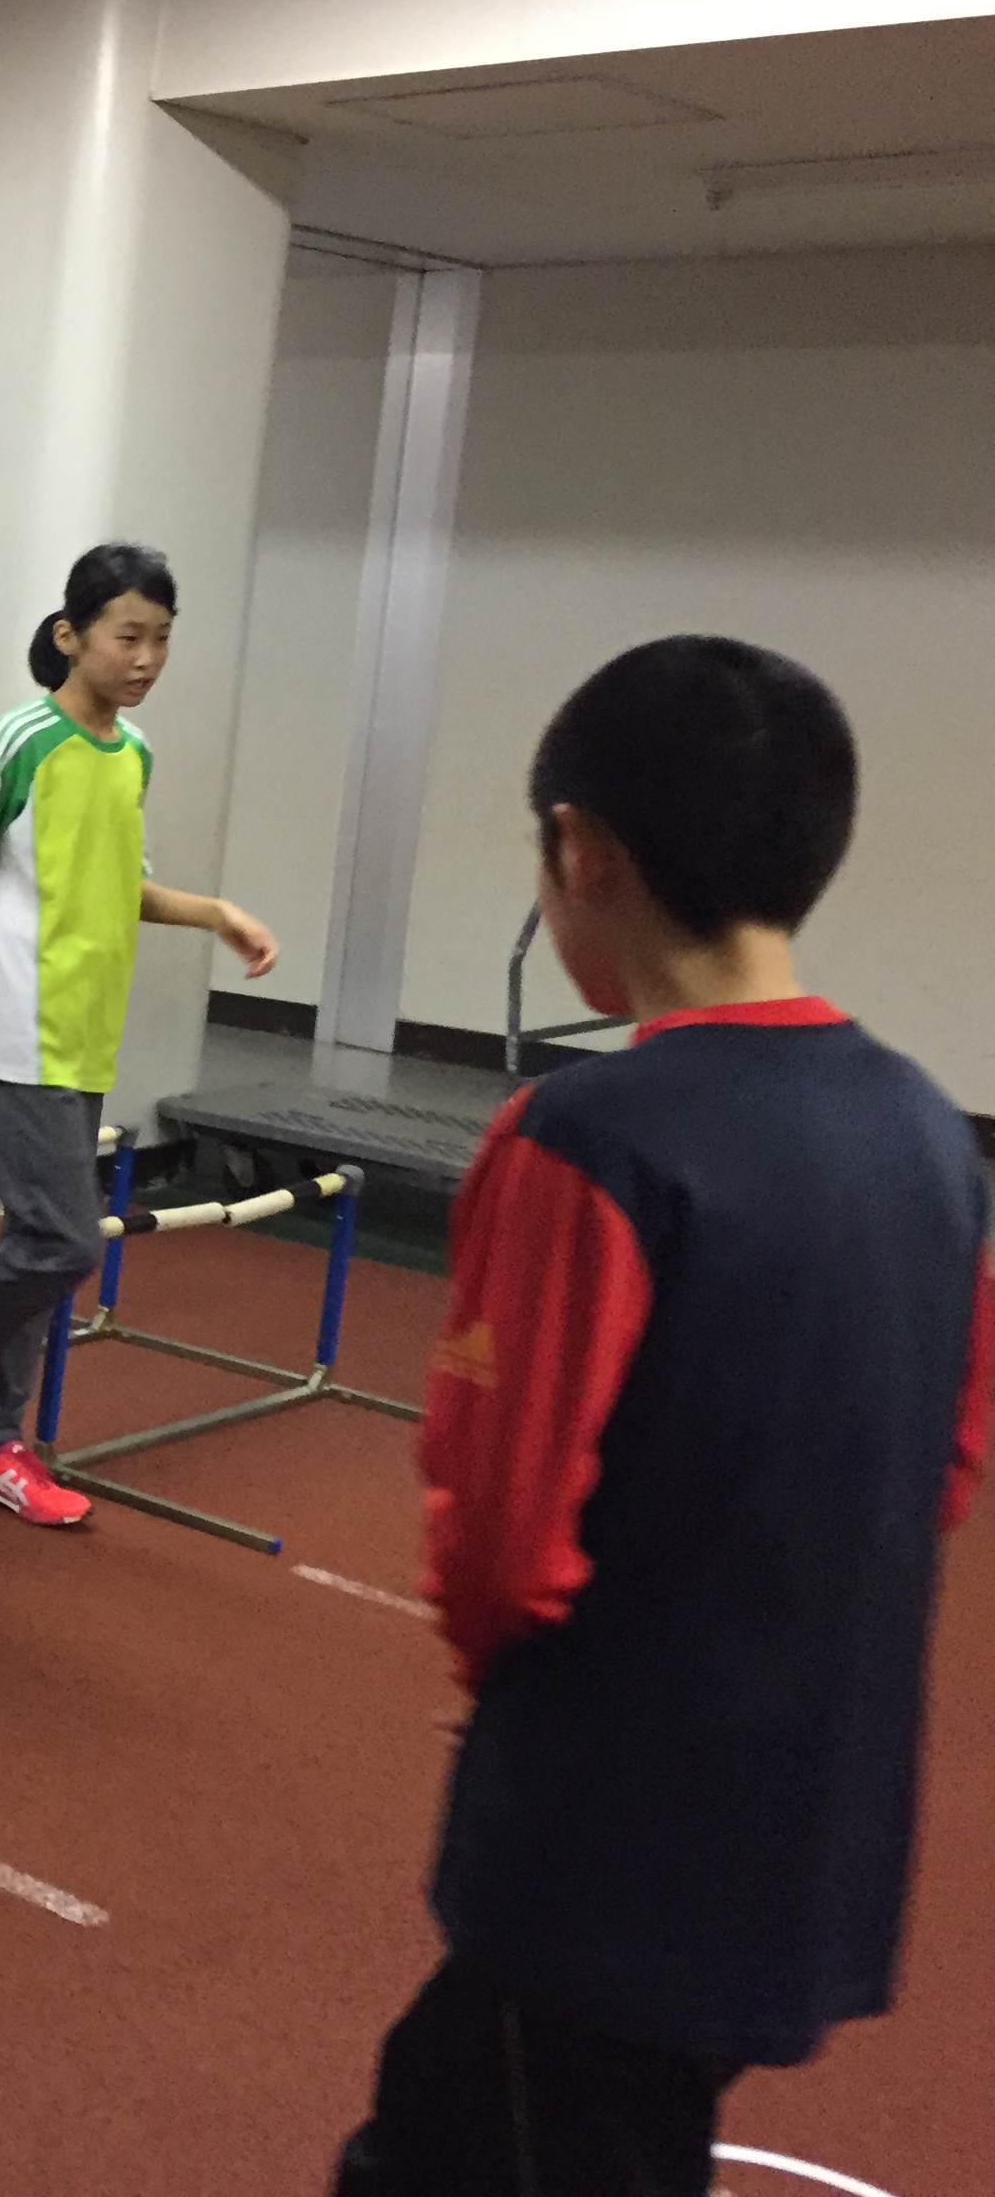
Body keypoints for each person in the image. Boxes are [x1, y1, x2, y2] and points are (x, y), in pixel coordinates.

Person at [334, 637, 990, 2196]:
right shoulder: (927, 1128)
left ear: (582, 852)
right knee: (444, 2119)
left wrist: (524, 1704)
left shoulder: (588, 1138)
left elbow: (500, 1538)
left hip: (607, 1845)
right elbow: (942, 1464)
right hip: (812, 1805)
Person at [0, 544, 277, 1526]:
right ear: (71, 635)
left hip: (85, 1033)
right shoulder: (19, 739)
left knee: (42, 1247)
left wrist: (216, 914)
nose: (147, 658)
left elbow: (122, 885)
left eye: (162, 639)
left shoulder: (135, 754)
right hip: (13, 1028)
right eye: (128, 636)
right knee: (63, 1241)